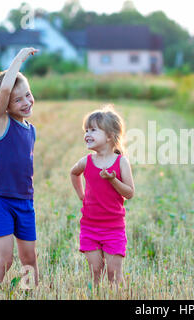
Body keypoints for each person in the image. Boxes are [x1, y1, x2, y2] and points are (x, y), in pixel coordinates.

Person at [0, 47, 39, 287]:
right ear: (4, 104)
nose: (26, 102)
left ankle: (31, 292)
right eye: (18, 99)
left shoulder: (31, 130)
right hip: (2, 201)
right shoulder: (0, 123)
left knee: (29, 259)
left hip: (25, 202)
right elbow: (6, 88)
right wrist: (19, 59)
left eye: (28, 95)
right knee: (5, 260)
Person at [70, 105, 135, 287]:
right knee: (95, 272)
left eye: (93, 130)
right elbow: (73, 173)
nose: (87, 134)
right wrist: (81, 195)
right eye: (86, 130)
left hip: (113, 228)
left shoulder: (121, 162)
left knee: (114, 275)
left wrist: (113, 180)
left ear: (109, 136)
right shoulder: (87, 161)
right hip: (90, 227)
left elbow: (129, 193)